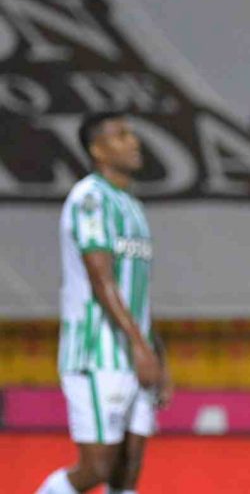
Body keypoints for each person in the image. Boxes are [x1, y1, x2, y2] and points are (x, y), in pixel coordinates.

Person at [36, 112, 171, 494]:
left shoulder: (131, 206)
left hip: (135, 352)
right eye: (122, 136)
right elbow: (102, 279)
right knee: (97, 466)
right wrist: (140, 345)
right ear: (97, 149)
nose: (134, 142)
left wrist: (157, 353)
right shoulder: (90, 198)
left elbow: (136, 292)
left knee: (127, 470)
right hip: (99, 353)